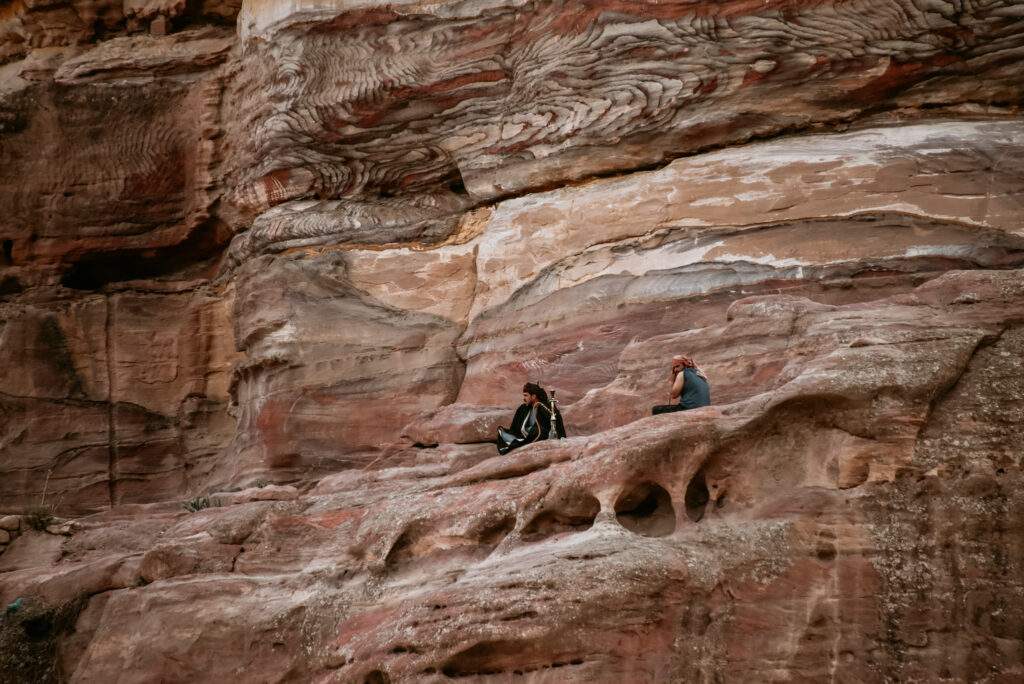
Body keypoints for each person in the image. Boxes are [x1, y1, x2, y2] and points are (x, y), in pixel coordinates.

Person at [496, 382, 560, 454]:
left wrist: (532, 430)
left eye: (526, 395)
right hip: (523, 437)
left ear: (533, 396)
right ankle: (518, 441)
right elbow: (514, 429)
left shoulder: (543, 407)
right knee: (502, 433)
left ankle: (519, 442)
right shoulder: (523, 408)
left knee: (534, 430)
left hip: (538, 436)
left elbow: (551, 427)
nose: (524, 398)